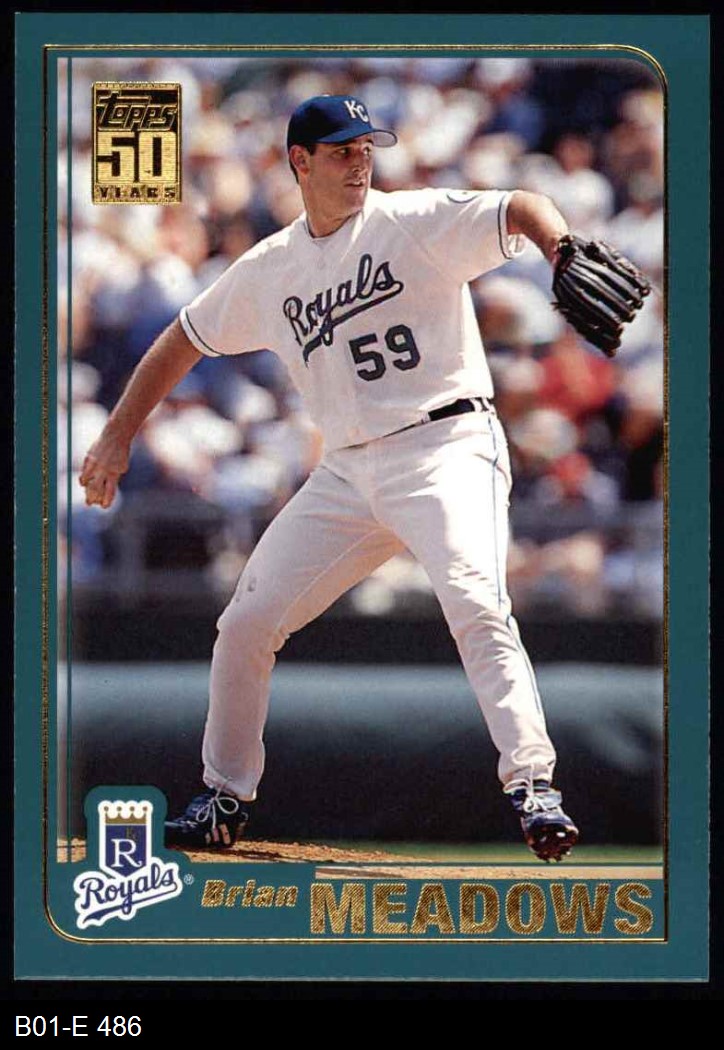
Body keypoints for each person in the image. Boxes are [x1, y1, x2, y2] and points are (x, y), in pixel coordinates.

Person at [80, 94, 581, 862]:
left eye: (365, 149)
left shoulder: (408, 220)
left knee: (476, 600)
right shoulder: (271, 267)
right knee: (246, 623)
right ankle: (224, 798)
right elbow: (182, 338)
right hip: (347, 470)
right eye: (342, 150)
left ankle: (534, 784)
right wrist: (117, 435)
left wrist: (562, 247)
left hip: (446, 445)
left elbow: (520, 204)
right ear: (300, 161)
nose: (359, 163)